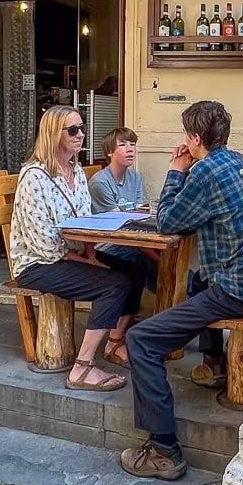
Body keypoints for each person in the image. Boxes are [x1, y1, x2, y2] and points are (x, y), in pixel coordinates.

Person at [119, 100, 243, 481]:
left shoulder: (203, 173)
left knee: (141, 339)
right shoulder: (240, 161)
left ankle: (164, 449)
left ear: (195, 138)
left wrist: (175, 171)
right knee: (196, 279)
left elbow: (167, 221)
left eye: (186, 135)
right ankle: (214, 365)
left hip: (238, 288)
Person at [9, 106, 147, 392]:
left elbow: (85, 222)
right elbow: (42, 242)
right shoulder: (34, 176)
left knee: (134, 269)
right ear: (52, 133)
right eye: (73, 130)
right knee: (113, 284)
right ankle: (82, 368)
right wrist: (84, 260)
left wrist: (91, 254)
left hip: (68, 255)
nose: (81, 134)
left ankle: (113, 343)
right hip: (37, 264)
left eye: (81, 128)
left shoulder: (76, 171)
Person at [87, 127, 160, 365]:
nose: (130, 149)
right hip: (105, 246)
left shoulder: (135, 177)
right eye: (122, 145)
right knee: (141, 264)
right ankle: (115, 339)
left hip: (129, 242)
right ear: (109, 151)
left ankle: (161, 316)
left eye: (132, 144)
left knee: (154, 261)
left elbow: (137, 214)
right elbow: (118, 223)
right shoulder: (100, 182)